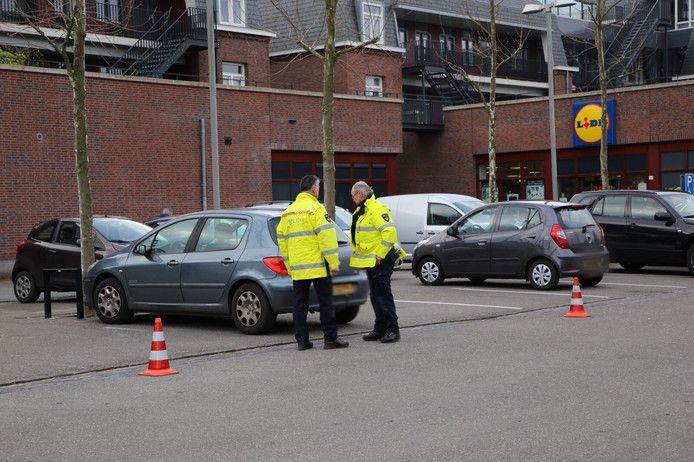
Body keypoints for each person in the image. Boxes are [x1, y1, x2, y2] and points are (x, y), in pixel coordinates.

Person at [277, 175, 349, 351]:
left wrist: (289, 264)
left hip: (298, 267)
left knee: (299, 304)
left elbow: (282, 241)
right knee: (325, 302)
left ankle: (302, 341)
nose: (319, 189)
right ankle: (330, 339)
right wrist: (333, 262)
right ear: (314, 189)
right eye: (319, 187)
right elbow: (327, 237)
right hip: (317, 265)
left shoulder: (288, 212)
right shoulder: (316, 209)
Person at [349, 181, 407, 343]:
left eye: (353, 196)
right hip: (371, 261)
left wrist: (379, 255)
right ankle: (380, 328)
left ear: (360, 195)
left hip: (381, 260)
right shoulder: (362, 211)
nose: (352, 199)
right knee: (375, 295)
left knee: (382, 295)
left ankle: (392, 329)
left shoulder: (376, 208)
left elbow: (389, 233)